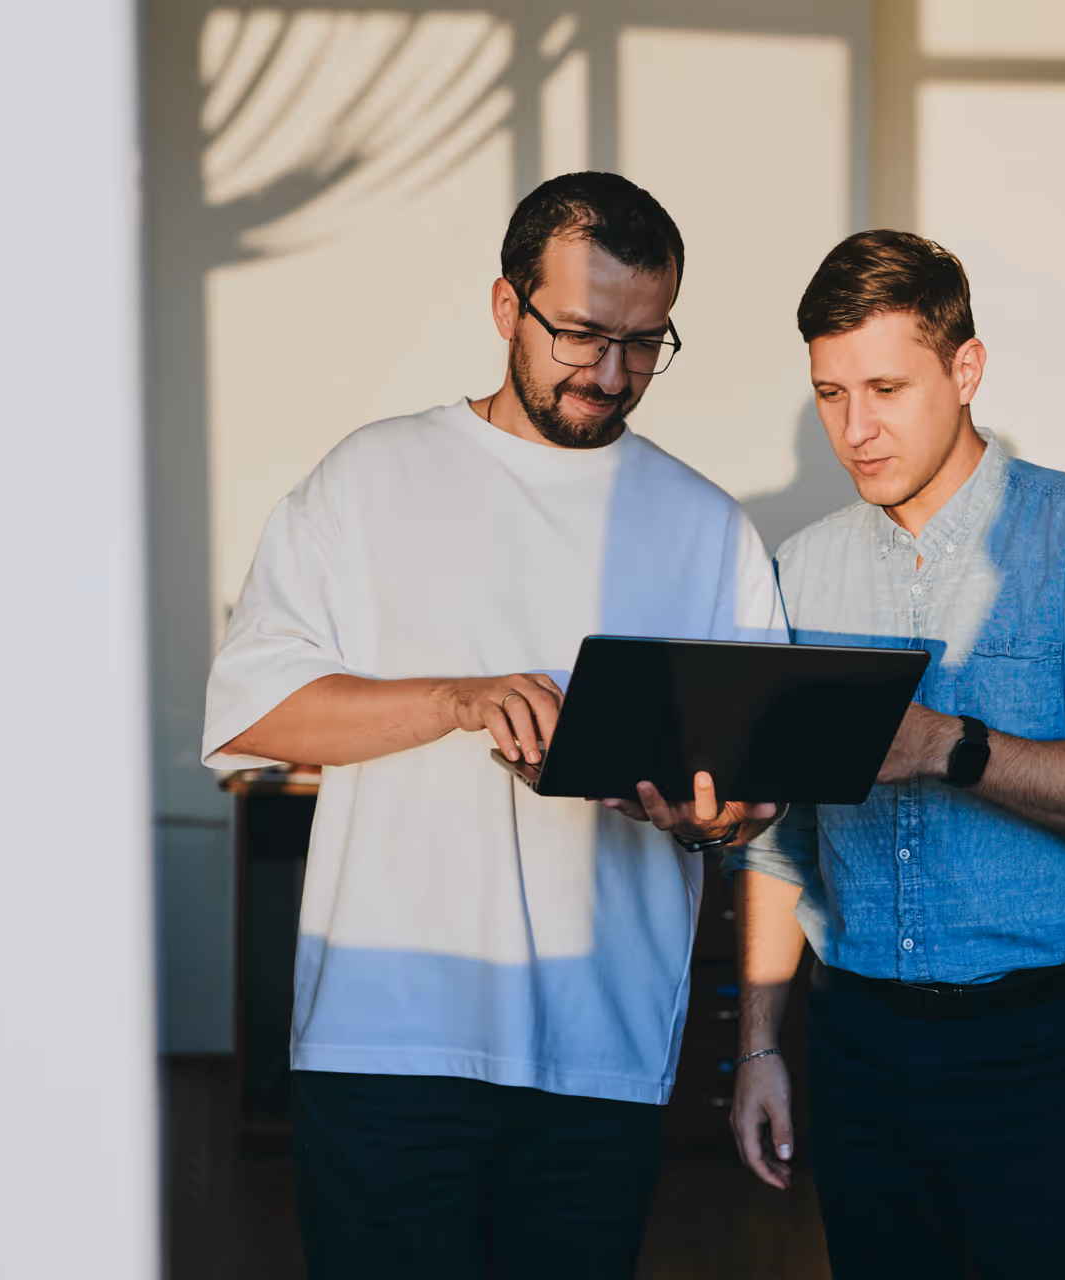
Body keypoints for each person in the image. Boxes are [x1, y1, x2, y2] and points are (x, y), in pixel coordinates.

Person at [202, 171, 780, 1278]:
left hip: (603, 1056)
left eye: (646, 343)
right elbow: (254, 708)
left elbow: (753, 791)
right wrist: (457, 698)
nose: (611, 374)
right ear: (508, 306)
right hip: (385, 1044)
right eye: (582, 333)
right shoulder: (369, 479)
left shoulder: (710, 527)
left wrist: (717, 817)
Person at [726, 230, 1065, 1277]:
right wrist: (760, 1045)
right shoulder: (796, 574)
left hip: (1042, 1049)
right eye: (830, 393)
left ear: (966, 368)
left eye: (887, 387)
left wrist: (951, 746)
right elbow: (779, 841)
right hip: (857, 1055)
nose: (855, 430)